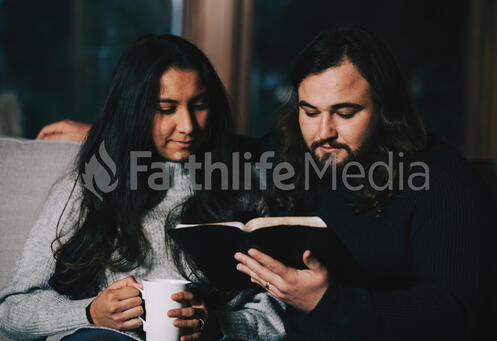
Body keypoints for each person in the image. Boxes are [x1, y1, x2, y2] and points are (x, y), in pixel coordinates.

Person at [0, 34, 285, 341]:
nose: (187, 125)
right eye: (167, 108)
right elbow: (11, 311)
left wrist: (215, 325)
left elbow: (273, 318)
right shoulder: (92, 186)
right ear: (135, 111)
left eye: (199, 105)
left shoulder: (243, 188)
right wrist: (89, 312)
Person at [233, 26, 491, 340]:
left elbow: (456, 313)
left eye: (345, 112)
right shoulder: (282, 153)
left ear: (385, 109)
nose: (324, 131)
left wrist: (326, 301)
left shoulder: (443, 179)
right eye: (310, 112)